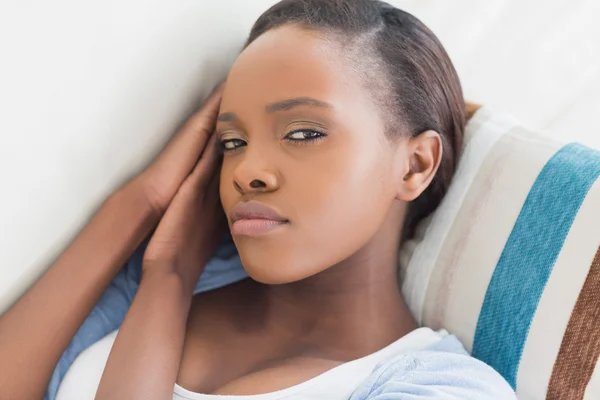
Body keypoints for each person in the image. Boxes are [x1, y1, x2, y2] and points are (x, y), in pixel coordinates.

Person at [0, 0, 516, 399]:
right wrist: (141, 205)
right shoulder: (160, 275)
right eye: (231, 142)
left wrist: (172, 275)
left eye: (304, 133)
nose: (247, 171)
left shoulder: (443, 386)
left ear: (415, 164)